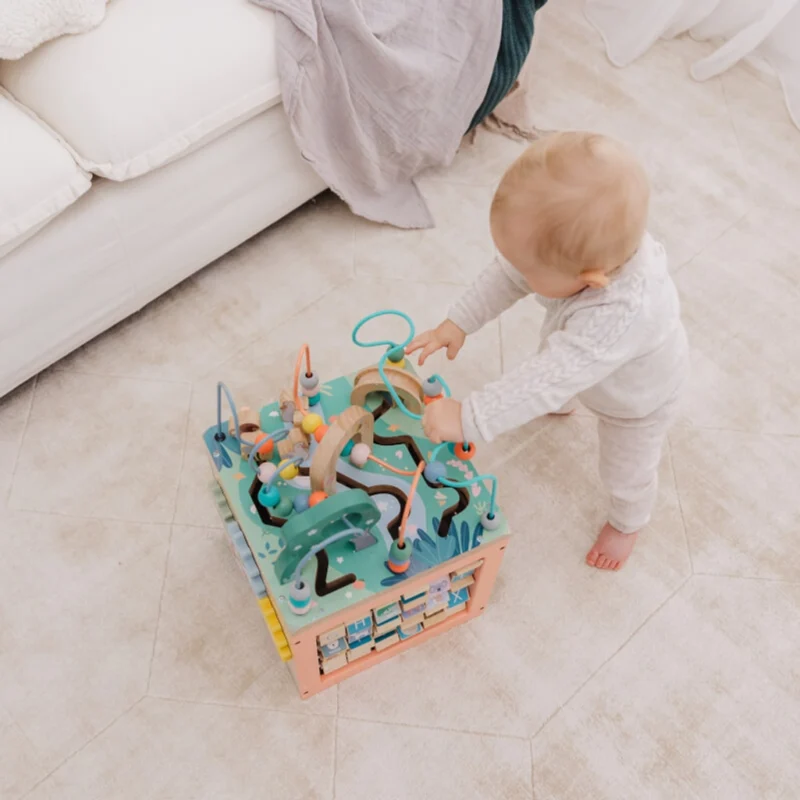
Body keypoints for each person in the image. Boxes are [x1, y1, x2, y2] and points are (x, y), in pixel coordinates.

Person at [408, 131, 688, 571]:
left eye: (529, 269)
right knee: (560, 362)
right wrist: (458, 321)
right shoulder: (588, 254)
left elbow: (545, 378)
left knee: (625, 471)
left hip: (636, 402)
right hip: (585, 360)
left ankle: (628, 521)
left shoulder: (619, 316)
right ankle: (567, 401)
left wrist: (467, 417)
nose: (518, 273)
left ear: (590, 281)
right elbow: (509, 276)